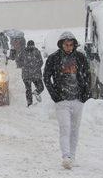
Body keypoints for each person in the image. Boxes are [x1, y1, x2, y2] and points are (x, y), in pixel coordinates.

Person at [43, 31, 90, 170]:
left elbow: (88, 76)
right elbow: (46, 77)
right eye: (66, 45)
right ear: (61, 45)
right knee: (65, 128)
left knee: (75, 129)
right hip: (62, 100)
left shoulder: (81, 58)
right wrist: (54, 95)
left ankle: (72, 156)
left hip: (77, 100)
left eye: (71, 45)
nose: (68, 47)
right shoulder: (53, 58)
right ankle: (66, 156)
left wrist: (85, 94)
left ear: (74, 45)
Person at [17, 40, 45, 107]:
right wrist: (24, 66)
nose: (31, 47)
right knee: (32, 89)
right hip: (31, 75)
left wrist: (25, 66)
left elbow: (41, 62)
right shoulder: (25, 52)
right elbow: (18, 61)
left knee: (35, 88)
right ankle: (31, 102)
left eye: (32, 46)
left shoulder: (35, 52)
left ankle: (33, 97)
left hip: (32, 75)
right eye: (30, 46)